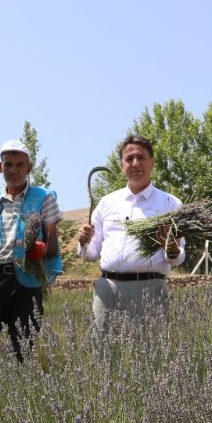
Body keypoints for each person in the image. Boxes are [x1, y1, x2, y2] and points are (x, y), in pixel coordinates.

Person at [75, 134, 185, 332]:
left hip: (151, 290)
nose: (135, 163)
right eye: (129, 159)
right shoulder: (107, 203)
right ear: (121, 165)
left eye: (141, 157)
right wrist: (84, 242)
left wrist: (172, 248)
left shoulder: (170, 204)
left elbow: (177, 258)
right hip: (108, 289)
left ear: (153, 162)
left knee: (153, 355)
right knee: (105, 355)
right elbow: (90, 254)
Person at [0, 139, 62, 361]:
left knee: (22, 348)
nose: (13, 170)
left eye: (19, 165)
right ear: (0, 167)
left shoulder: (45, 197)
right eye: (8, 165)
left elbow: (53, 247)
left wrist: (41, 249)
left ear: (29, 167)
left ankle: (20, 392)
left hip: (28, 280)